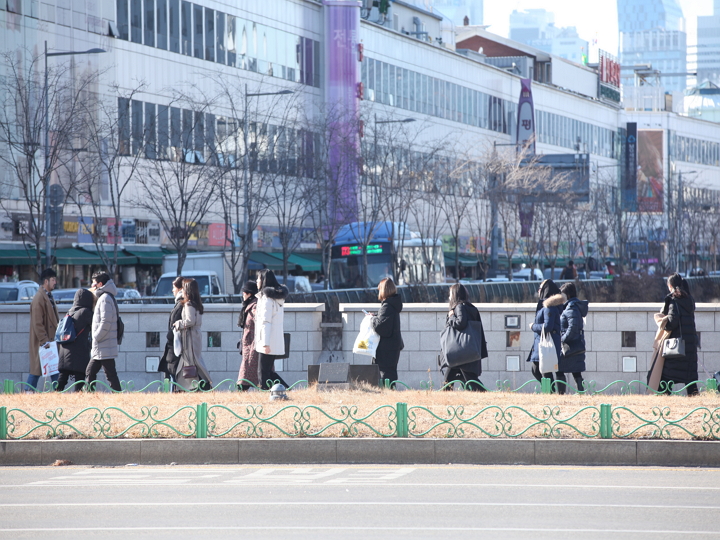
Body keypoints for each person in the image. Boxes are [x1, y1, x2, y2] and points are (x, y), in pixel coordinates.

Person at [441, 283, 487, 391]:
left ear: (455, 294)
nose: (449, 297)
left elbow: (461, 323)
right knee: (458, 378)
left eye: (450, 294)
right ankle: (445, 395)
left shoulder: (459, 307)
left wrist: (451, 317)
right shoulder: (470, 307)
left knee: (468, 379)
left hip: (458, 351)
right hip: (468, 349)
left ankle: (484, 394)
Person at [659, 273, 699, 396]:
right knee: (690, 377)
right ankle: (695, 398)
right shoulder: (689, 300)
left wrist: (662, 323)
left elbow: (672, 323)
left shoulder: (674, 301)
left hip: (677, 346)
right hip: (690, 345)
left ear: (670, 286)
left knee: (667, 376)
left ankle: (663, 398)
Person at [173, 278, 213, 391]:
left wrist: (178, 323)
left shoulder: (188, 304)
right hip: (195, 335)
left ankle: (200, 385)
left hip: (189, 337)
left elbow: (190, 321)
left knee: (191, 361)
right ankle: (199, 384)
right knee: (196, 361)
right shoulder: (196, 304)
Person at [86, 271, 122, 392]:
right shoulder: (105, 297)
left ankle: (91, 395)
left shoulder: (105, 298)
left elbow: (105, 322)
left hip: (103, 343)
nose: (92, 286)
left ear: (100, 284)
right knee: (94, 372)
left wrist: (96, 337)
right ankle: (90, 395)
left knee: (104, 374)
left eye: (93, 283)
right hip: (103, 344)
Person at [255, 269, 290, 390]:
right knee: (268, 371)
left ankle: (267, 391)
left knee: (262, 371)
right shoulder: (275, 298)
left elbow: (266, 321)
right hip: (272, 339)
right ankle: (286, 389)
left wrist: (265, 343)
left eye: (258, 278)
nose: (257, 281)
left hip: (267, 340)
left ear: (264, 280)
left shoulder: (266, 299)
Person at [527, 279, 564, 388]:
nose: (538, 291)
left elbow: (548, 326)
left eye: (540, 289)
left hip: (546, 343)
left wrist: (533, 326)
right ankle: (548, 391)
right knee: (537, 369)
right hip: (542, 342)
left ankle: (550, 392)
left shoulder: (549, 307)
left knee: (544, 371)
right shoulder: (546, 306)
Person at [56, 289, 94, 392]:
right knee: (79, 381)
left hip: (64, 351)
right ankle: (78, 398)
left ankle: (55, 396)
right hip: (78, 352)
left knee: (62, 379)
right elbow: (96, 324)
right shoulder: (85, 312)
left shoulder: (70, 311)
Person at [28, 268, 60, 391]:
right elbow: (37, 323)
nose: (55, 282)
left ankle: (58, 391)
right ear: (46, 281)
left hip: (50, 341)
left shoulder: (48, 296)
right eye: (53, 280)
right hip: (44, 342)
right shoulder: (39, 298)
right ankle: (28, 391)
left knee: (54, 369)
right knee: (36, 371)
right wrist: (44, 340)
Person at [370, 277, 404, 388]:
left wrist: (372, 319)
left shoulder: (387, 306)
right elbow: (385, 322)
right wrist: (376, 316)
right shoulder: (393, 304)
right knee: (390, 372)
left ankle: (388, 393)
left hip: (386, 348)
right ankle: (390, 391)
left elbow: (381, 327)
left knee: (385, 374)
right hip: (392, 346)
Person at [557, 282, 588, 393]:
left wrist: (562, 339)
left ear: (568, 295)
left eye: (562, 294)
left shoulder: (571, 308)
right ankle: (580, 392)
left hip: (569, 346)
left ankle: (561, 394)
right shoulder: (572, 307)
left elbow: (573, 328)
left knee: (559, 369)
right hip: (575, 346)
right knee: (576, 372)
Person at [158, 277, 184, 384]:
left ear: (180, 288)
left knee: (175, 375)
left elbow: (176, 324)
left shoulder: (181, 304)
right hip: (173, 345)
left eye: (174, 287)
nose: (172, 290)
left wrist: (170, 335)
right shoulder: (179, 303)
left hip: (176, 345)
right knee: (173, 374)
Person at [237, 280, 260, 390]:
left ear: (249, 294)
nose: (243, 294)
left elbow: (260, 322)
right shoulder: (249, 306)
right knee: (247, 374)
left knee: (245, 375)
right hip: (248, 345)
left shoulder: (254, 307)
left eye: (244, 292)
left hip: (253, 345)